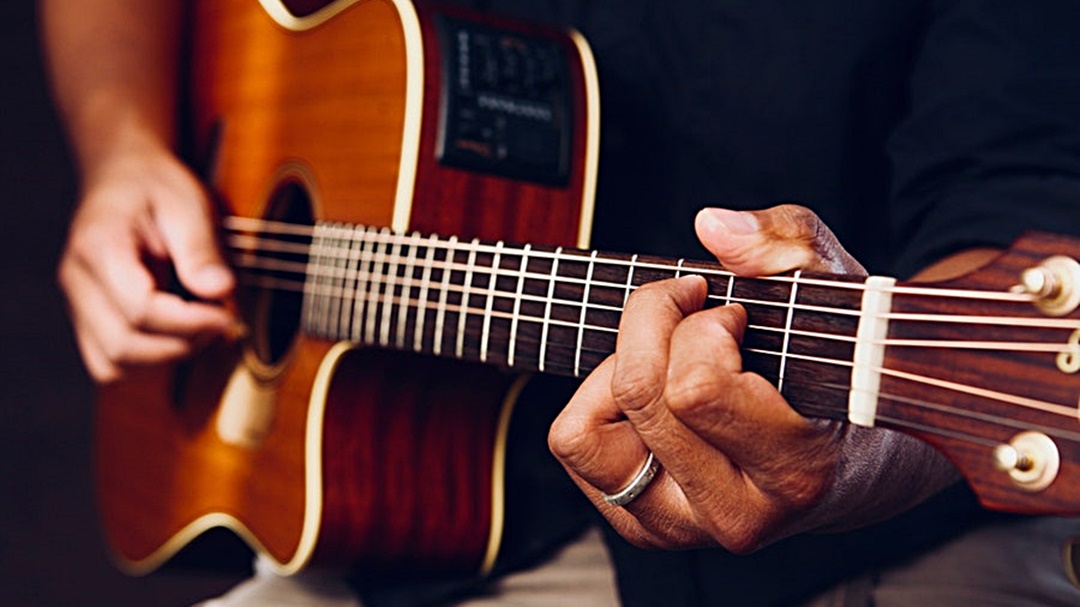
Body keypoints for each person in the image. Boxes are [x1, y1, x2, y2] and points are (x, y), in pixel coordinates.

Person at [42, 0, 1080, 606]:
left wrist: (861, 452)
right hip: (395, 533)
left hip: (860, 546)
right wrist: (119, 145)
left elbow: (1021, 214)